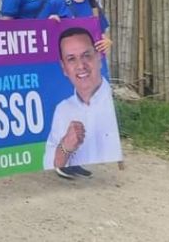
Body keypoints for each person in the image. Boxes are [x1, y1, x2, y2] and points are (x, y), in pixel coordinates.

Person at [43, 27, 123, 177]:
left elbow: (104, 29)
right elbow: (50, 162)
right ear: (64, 68)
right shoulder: (63, 109)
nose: (81, 65)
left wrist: (107, 41)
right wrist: (65, 146)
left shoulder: (110, 102)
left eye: (86, 55)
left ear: (99, 57)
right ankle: (75, 166)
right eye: (71, 59)